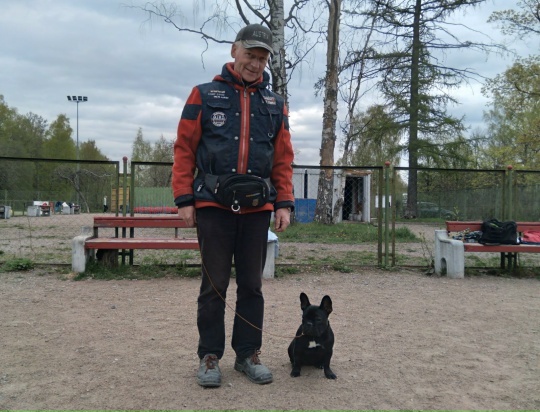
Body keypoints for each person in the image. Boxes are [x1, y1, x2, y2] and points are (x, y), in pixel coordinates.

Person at [172, 23, 294, 387]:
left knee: (252, 286)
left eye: (262, 59)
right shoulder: (203, 95)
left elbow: (283, 158)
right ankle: (209, 356)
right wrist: (184, 198)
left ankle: (247, 354)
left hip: (257, 210)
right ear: (234, 50)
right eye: (250, 55)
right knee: (215, 285)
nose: (255, 64)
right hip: (213, 206)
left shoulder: (276, 105)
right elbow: (184, 148)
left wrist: (284, 203)